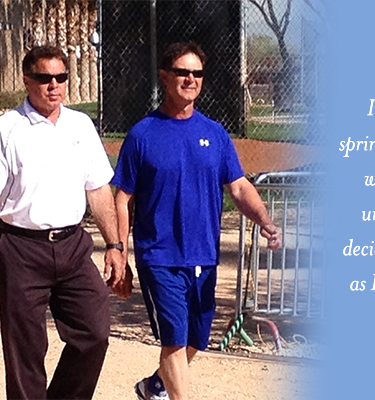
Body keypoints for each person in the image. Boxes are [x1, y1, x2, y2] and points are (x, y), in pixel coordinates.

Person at [112, 41, 283, 400]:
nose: (190, 79)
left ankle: (153, 387)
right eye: (182, 72)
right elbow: (122, 197)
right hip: (159, 256)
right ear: (165, 76)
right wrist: (119, 251)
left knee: (194, 341)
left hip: (203, 255)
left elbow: (238, 187)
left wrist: (264, 219)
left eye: (197, 73)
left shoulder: (216, 133)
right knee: (174, 341)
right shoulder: (143, 134)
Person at [0, 45, 127, 400]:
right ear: (27, 80)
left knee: (94, 332)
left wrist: (115, 245)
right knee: (25, 349)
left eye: (61, 77)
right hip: (21, 248)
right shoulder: (4, 130)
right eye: (44, 78)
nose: (53, 85)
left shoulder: (81, 126)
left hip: (72, 245)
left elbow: (98, 191)